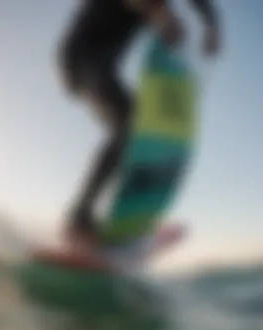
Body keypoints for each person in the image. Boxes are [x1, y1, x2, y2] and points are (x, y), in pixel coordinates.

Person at [58, 0, 221, 253]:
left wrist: (212, 27)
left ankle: (114, 219)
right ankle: (79, 218)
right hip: (80, 57)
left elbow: (202, 4)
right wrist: (158, 13)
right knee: (129, 123)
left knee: (133, 133)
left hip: (103, 65)